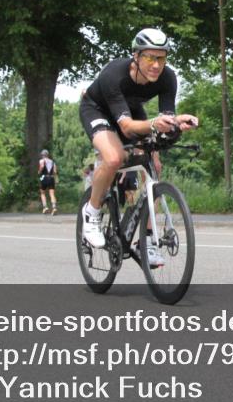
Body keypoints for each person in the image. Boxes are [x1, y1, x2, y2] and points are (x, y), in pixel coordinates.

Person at [78, 28, 199, 266]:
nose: (156, 64)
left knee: (153, 167)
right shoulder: (114, 73)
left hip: (131, 111)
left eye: (161, 58)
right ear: (136, 56)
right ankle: (91, 213)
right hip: (98, 110)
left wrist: (175, 124)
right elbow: (127, 128)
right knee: (113, 158)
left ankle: (146, 241)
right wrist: (154, 123)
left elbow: (163, 122)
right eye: (149, 57)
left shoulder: (168, 78)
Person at [37, 150, 58, 214]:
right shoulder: (52, 162)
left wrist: (39, 171)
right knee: (52, 193)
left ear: (42, 155)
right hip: (51, 177)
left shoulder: (41, 160)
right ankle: (54, 207)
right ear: (48, 155)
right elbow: (55, 171)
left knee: (42, 193)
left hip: (43, 177)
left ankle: (45, 207)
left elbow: (42, 166)